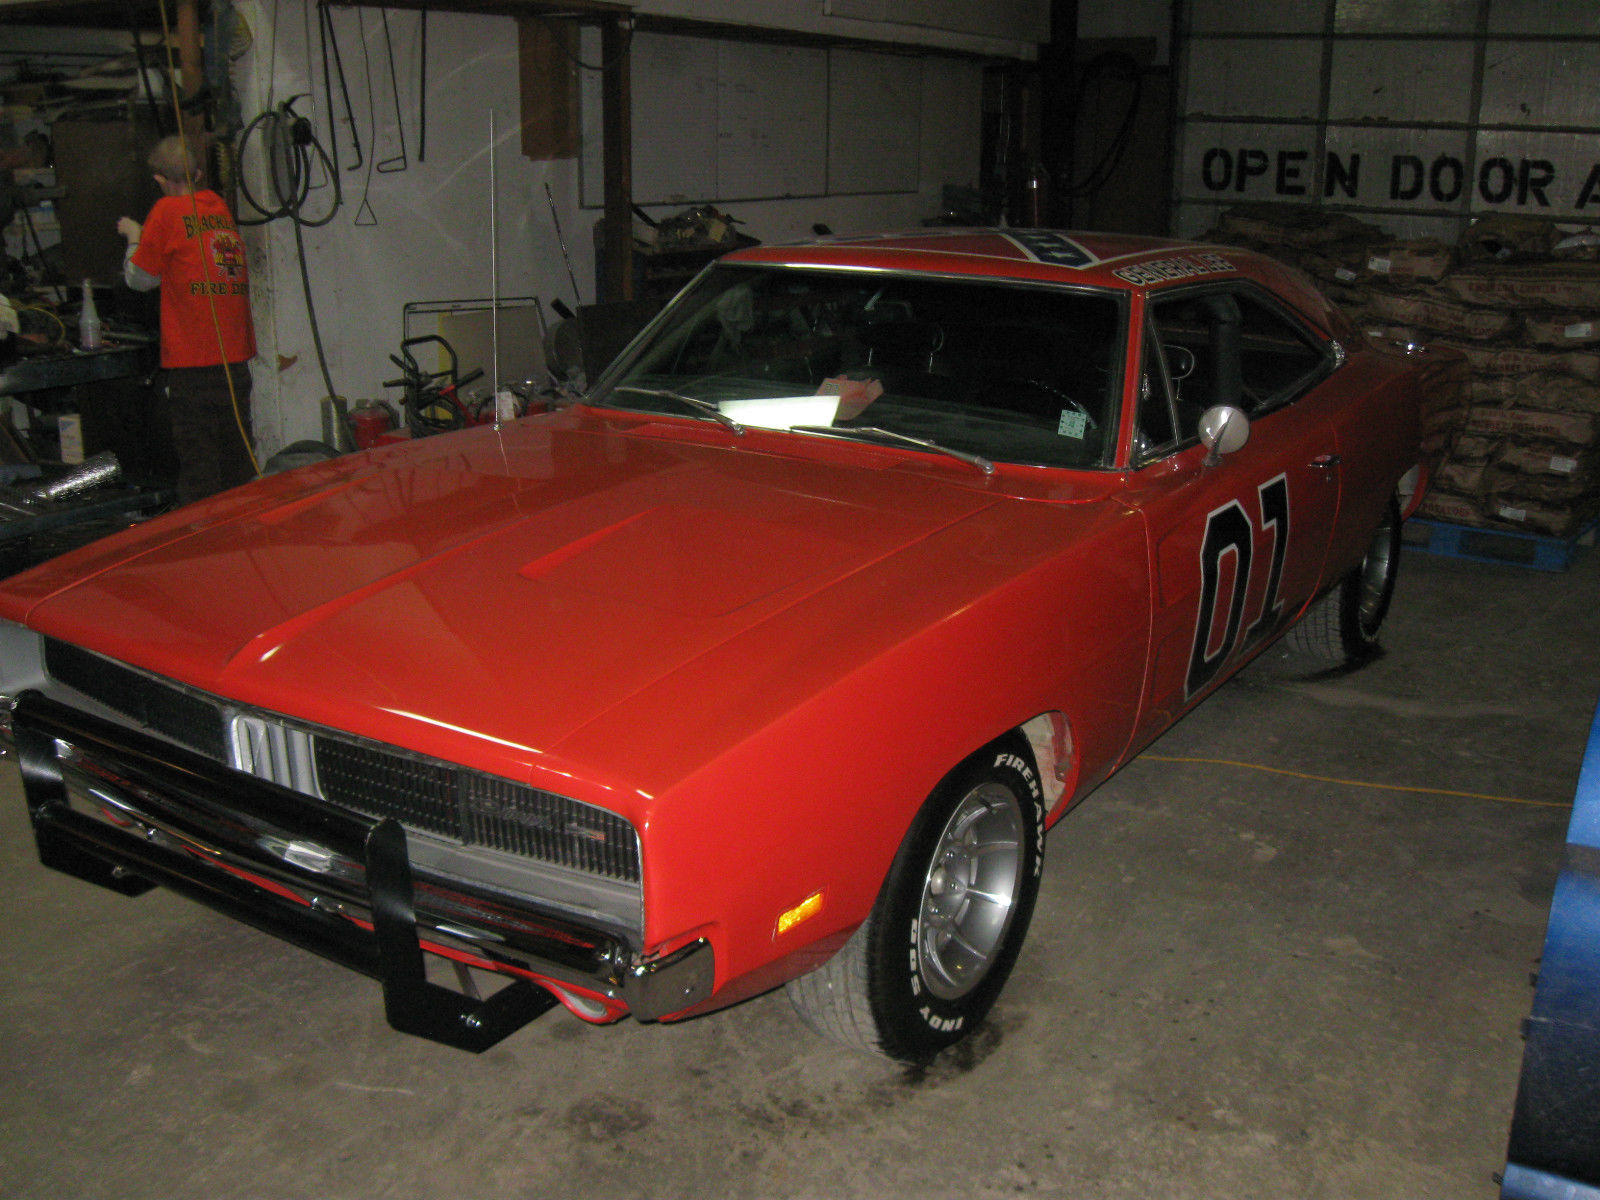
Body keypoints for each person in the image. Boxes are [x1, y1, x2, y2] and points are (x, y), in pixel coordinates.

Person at [116, 135, 257, 505]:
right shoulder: (219, 208)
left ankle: (205, 550)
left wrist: (134, 236)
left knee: (200, 467)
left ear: (160, 181)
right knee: (238, 459)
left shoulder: (164, 212)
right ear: (198, 173)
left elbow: (140, 278)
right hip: (234, 361)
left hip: (193, 366)